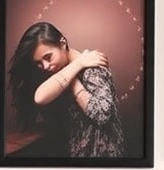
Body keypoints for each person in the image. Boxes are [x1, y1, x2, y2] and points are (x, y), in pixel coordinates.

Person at [8, 21, 127, 158]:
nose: (45, 66)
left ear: (62, 43)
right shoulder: (62, 72)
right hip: (77, 156)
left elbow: (102, 115)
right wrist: (78, 63)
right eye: (39, 63)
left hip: (103, 158)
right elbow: (40, 97)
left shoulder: (92, 69)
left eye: (48, 57)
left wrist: (74, 80)